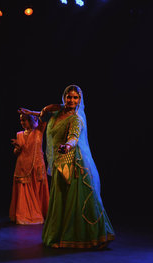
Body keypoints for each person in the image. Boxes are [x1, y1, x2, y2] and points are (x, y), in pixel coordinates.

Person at [39, 85, 115, 249]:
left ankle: (90, 236)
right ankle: (60, 236)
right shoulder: (57, 114)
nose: (72, 100)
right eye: (69, 97)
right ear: (64, 97)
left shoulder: (76, 119)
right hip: (60, 162)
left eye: (76, 98)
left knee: (77, 201)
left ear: (80, 100)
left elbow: (74, 137)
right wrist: (35, 112)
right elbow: (46, 112)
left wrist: (67, 146)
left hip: (73, 164)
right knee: (61, 202)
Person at [9, 113, 49, 225]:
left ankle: (40, 212)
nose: (22, 123)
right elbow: (17, 153)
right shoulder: (19, 134)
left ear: (32, 119)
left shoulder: (39, 131)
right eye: (21, 120)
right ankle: (25, 215)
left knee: (37, 191)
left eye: (24, 120)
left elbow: (46, 115)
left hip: (37, 165)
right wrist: (17, 147)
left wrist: (30, 112)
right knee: (24, 192)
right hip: (22, 166)